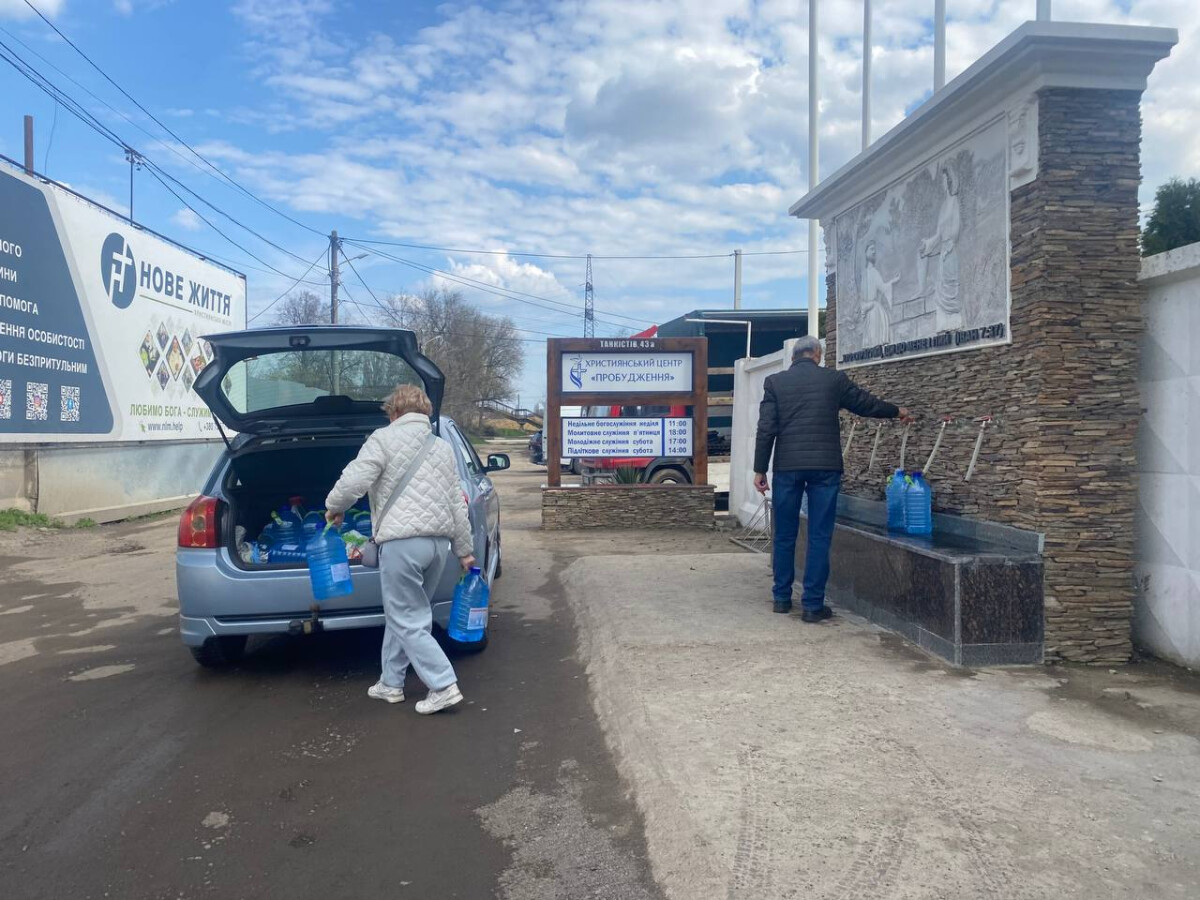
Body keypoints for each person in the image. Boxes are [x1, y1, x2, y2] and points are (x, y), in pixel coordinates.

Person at [325, 384, 475, 715]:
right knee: (406, 614)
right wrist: (464, 550)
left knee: (407, 618)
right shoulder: (441, 448)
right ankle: (391, 683)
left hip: (402, 543)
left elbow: (353, 482)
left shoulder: (382, 439)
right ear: (426, 413)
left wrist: (334, 506)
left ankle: (443, 685)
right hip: (438, 546)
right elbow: (457, 502)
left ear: (393, 412)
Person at [753, 337, 909, 622]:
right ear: (817, 354)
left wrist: (760, 470)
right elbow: (865, 404)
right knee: (819, 535)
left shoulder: (775, 382)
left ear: (793, 357)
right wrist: (896, 411)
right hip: (825, 468)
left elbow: (766, 429)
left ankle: (782, 598)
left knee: (784, 534)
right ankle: (813, 605)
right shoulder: (833, 380)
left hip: (788, 468)